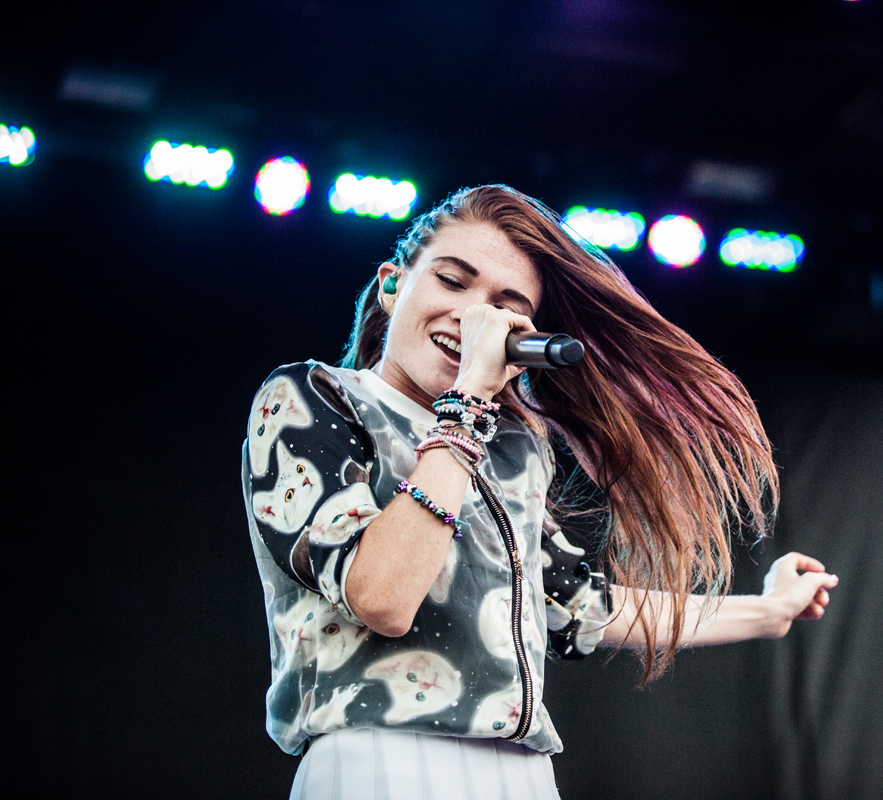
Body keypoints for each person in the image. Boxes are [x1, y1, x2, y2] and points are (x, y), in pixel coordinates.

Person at [242, 184, 838, 799]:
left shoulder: (509, 450)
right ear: (393, 285)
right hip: (383, 755)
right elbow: (383, 596)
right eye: (452, 281)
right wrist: (467, 403)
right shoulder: (317, 399)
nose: (476, 319)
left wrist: (768, 613)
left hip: (517, 770)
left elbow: (580, 605)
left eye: (507, 306)